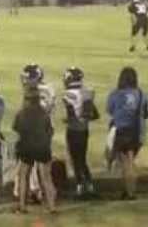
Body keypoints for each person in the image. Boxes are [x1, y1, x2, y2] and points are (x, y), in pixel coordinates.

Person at [106, 66, 148, 200]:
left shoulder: (115, 94)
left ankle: (128, 192)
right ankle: (130, 191)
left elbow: (110, 110)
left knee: (124, 162)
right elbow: (145, 113)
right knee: (130, 161)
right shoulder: (141, 94)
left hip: (121, 130)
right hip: (136, 131)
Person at [12, 87, 57, 214]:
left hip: (27, 147)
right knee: (46, 177)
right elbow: (50, 131)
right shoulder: (44, 114)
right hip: (42, 147)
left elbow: (17, 130)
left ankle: (22, 206)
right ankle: (52, 206)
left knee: (23, 176)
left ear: (26, 99)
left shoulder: (21, 114)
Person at [62, 67, 99, 198]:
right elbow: (95, 115)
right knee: (82, 159)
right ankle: (89, 185)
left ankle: (79, 186)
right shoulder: (87, 92)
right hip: (84, 130)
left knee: (75, 159)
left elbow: (71, 114)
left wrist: (68, 119)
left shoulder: (68, 94)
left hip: (73, 130)